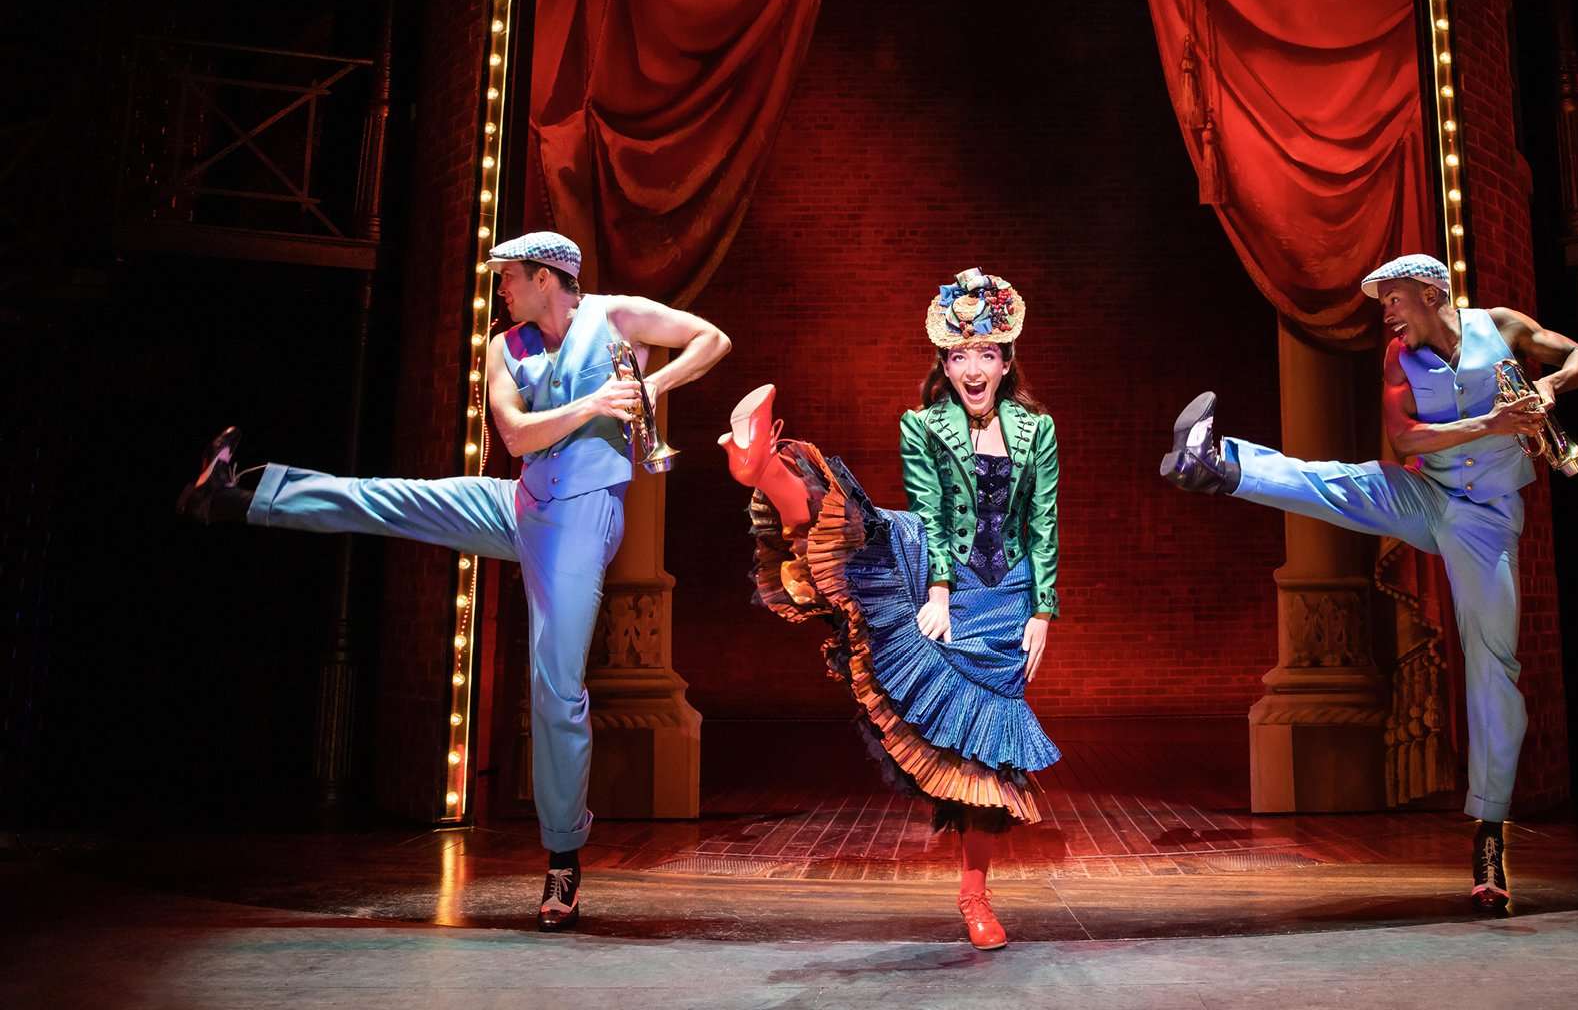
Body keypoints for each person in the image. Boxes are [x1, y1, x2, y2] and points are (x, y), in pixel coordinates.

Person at [175, 231, 731, 931]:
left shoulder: (615, 317)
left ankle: (563, 857)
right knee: (393, 498)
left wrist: (650, 386)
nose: (501, 290)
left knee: (554, 686)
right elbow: (517, 438)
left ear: (546, 278)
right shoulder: (506, 347)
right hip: (526, 503)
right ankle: (236, 497)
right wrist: (594, 406)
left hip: (583, 521)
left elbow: (711, 338)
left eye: (510, 278)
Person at [1159, 253, 1578, 914]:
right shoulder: (1399, 358)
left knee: (1493, 666)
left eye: (1393, 300)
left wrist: (1549, 390)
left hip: (1486, 523)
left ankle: (1488, 838)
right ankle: (1215, 464)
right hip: (1429, 496)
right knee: (1340, 482)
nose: (1387, 314)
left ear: (1427, 293)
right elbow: (1405, 439)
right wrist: (1493, 423)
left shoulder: (1502, 327)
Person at [722, 267, 1062, 949]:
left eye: (985, 354)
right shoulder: (924, 425)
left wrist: (1042, 611)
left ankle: (975, 895)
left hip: (1008, 598)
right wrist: (936, 591)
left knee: (989, 751)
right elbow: (932, 509)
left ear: (1005, 361)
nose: (972, 368)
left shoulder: (1037, 429)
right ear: (943, 363)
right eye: (958, 355)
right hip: (937, 566)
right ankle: (763, 466)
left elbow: (1044, 520)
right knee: (857, 541)